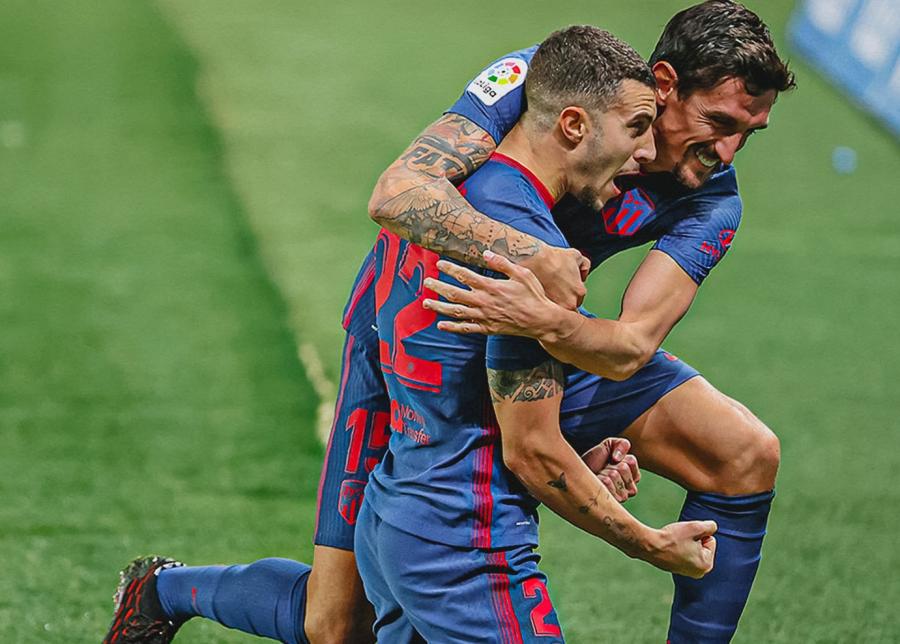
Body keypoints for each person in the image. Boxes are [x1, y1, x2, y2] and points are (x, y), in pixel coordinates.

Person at [103, 2, 795, 643]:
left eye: (750, 134)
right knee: (334, 624)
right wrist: (529, 258)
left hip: (530, 323)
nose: (729, 151)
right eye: (719, 123)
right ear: (664, 86)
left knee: (743, 452)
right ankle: (161, 591)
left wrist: (542, 320)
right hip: (407, 327)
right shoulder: (545, 77)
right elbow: (397, 192)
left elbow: (630, 347)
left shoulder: (713, 201)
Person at [355, 24, 718, 643]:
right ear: (573, 125)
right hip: (466, 541)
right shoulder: (534, 252)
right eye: (636, 127)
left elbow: (471, 387)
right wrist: (651, 544)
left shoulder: (454, 198)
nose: (646, 152)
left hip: (397, 505)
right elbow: (532, 452)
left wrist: (576, 449)